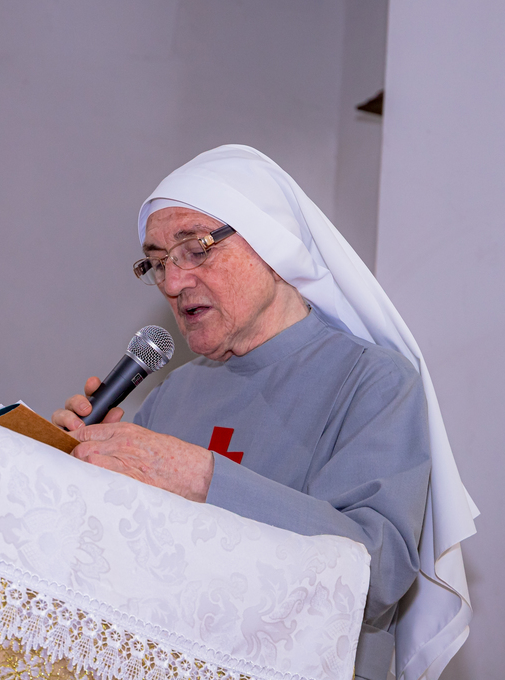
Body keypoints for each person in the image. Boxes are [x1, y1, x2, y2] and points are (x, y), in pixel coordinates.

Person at [52, 145, 477, 680]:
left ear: (272, 243)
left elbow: (375, 572)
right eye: (157, 263)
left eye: (195, 249)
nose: (174, 282)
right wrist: (89, 473)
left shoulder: (374, 381)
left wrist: (202, 477)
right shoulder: (169, 394)